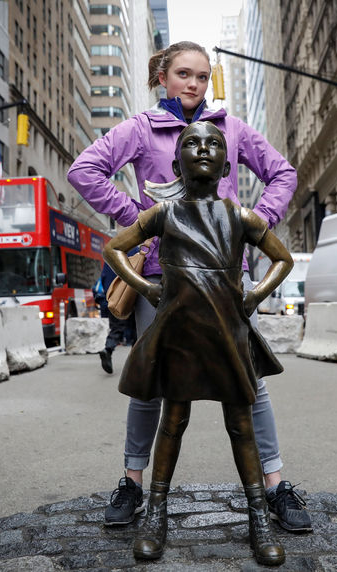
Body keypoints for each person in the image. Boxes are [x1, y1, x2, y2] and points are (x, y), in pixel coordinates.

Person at [68, 41, 311, 533]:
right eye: (183, 74)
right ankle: (133, 482)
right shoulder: (140, 129)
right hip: (161, 277)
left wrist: (257, 221)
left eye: (201, 76)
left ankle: (275, 485)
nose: (193, 85)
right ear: (163, 76)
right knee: (151, 386)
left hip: (228, 280)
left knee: (251, 385)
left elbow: (283, 173)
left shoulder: (233, 130)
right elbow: (83, 170)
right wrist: (135, 216)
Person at [103, 121, 293, 564]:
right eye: (192, 143)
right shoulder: (164, 214)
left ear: (227, 164)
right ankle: (157, 514)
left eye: (213, 144)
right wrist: (148, 289)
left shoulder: (239, 216)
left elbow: (281, 259)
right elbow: (114, 248)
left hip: (229, 333)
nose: (203, 149)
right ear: (176, 162)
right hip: (180, 334)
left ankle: (258, 518)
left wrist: (253, 295)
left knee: (241, 425)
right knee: (173, 422)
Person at [93, 251, 138, 374]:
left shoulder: (111, 254)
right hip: (132, 296)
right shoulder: (138, 251)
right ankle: (135, 362)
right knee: (136, 331)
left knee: (116, 328)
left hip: (114, 298)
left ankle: (108, 349)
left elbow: (103, 278)